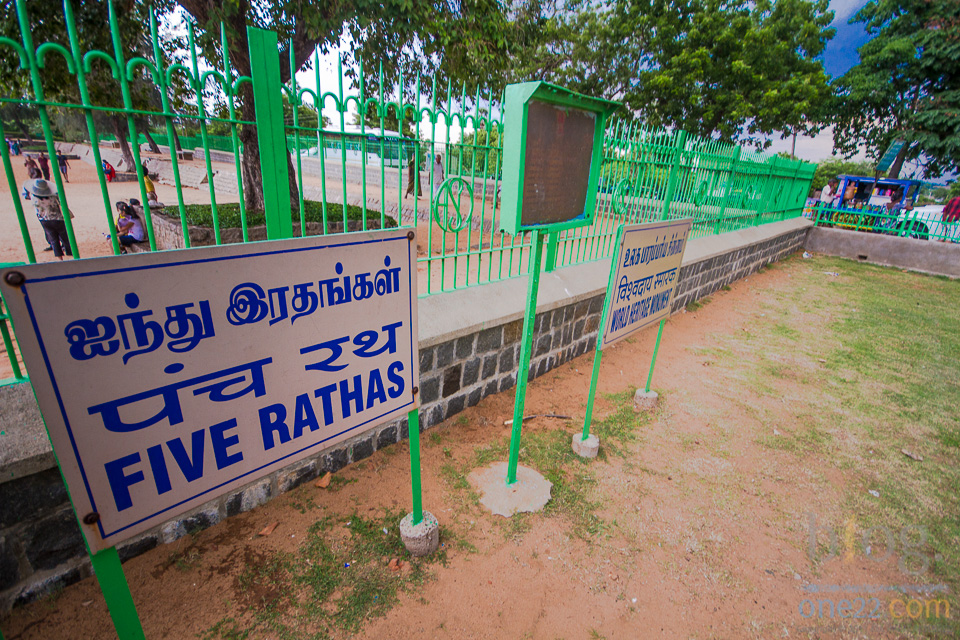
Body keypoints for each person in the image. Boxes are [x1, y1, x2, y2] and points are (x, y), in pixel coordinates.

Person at [27, 179, 72, 260]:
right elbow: (60, 201)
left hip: (44, 220)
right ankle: (71, 253)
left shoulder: (34, 198)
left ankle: (60, 258)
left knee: (53, 239)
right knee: (65, 236)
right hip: (57, 218)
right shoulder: (52, 196)